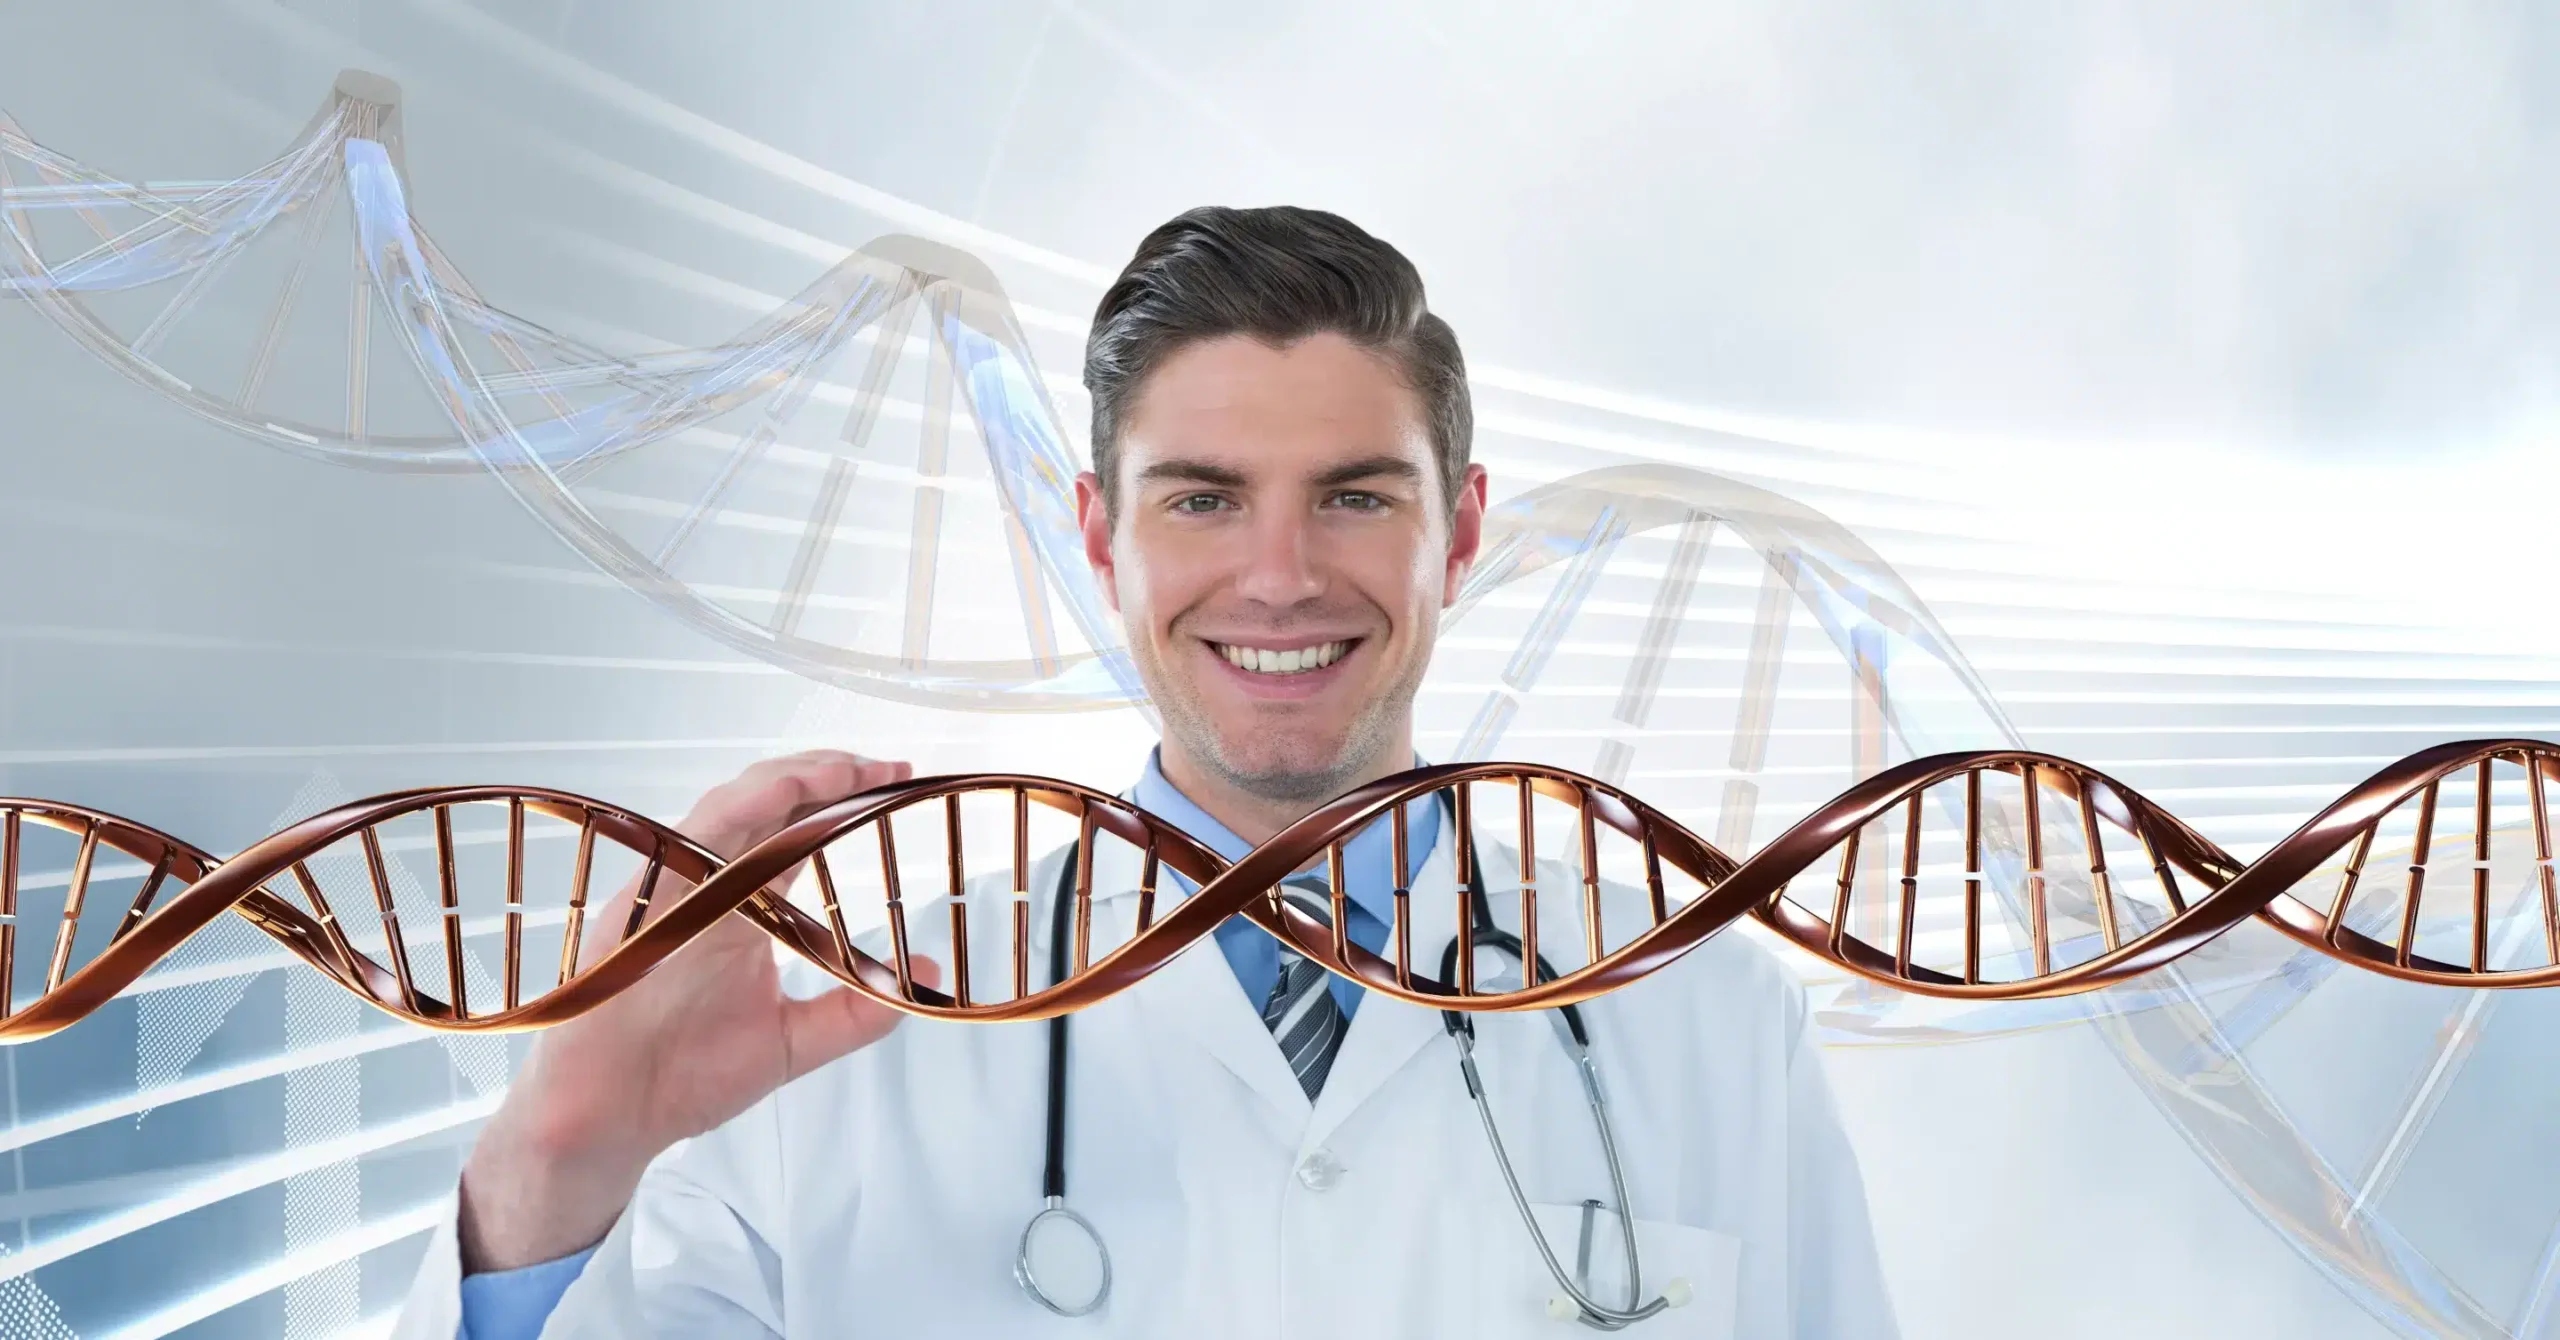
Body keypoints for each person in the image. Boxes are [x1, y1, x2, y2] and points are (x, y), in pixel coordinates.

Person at [393, 205, 1898, 1338]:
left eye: (1355, 497)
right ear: (1100, 539)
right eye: (1202, 500)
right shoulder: (849, 1033)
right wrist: (557, 1159)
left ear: (1457, 533)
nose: (1280, 576)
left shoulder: (1706, 1015)